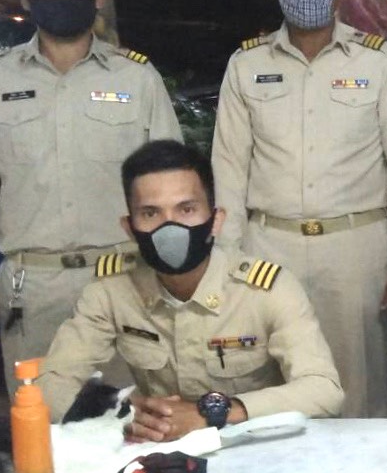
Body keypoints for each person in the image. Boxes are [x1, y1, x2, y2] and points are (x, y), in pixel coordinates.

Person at [0, 0, 181, 392]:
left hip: (125, 279)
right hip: (31, 286)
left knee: (136, 417)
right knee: (39, 419)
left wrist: (174, 269)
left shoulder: (136, 78)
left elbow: (171, 183)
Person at [211, 0, 387, 419]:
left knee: (358, 388)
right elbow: (229, 169)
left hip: (355, 250)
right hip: (268, 247)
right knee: (267, 385)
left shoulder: (377, 62)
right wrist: (225, 257)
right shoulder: (246, 64)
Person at [39, 140, 344, 438]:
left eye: (186, 209)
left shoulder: (267, 290)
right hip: (159, 449)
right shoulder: (110, 290)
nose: (169, 229)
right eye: (151, 213)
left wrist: (213, 413)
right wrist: (120, 411)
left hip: (254, 445)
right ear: (130, 228)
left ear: (215, 220)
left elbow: (323, 390)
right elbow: (49, 386)